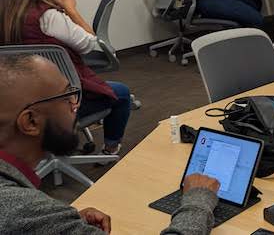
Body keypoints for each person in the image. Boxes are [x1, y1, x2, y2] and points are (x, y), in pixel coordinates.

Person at [0, 53, 221, 234]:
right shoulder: (24, 212)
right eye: (66, 96)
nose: (75, 106)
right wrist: (198, 202)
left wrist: (68, 225)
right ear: (30, 121)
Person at [0, 0, 132, 157]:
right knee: (121, 93)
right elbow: (91, 44)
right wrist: (70, 9)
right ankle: (110, 150)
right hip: (61, 98)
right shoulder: (49, 17)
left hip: (20, 102)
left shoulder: (5, 15)